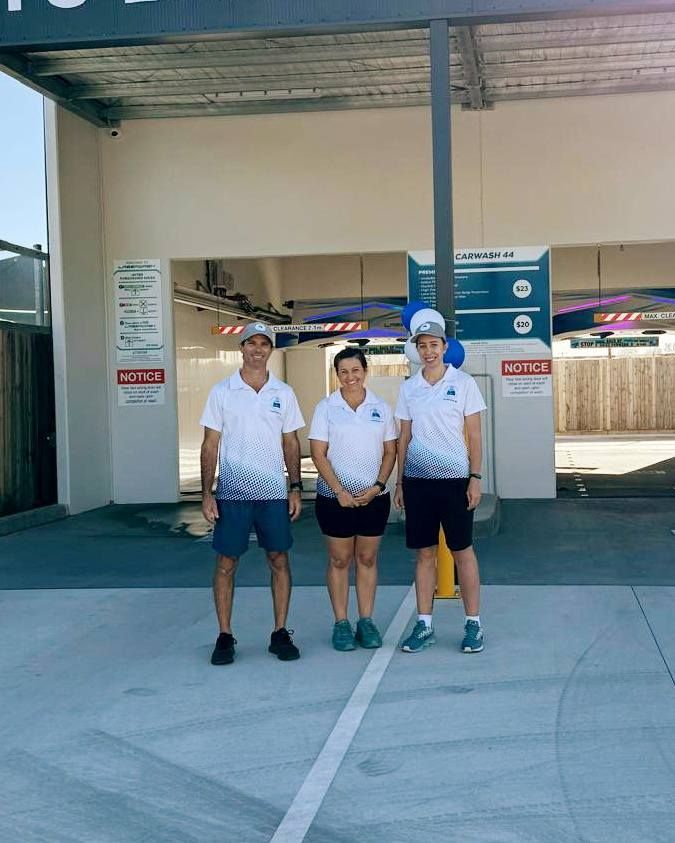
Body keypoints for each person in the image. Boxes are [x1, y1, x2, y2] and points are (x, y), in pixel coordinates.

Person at [200, 322, 305, 665]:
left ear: (271, 350)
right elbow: (210, 444)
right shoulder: (222, 392)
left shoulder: (284, 393)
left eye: (264, 344)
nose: (258, 349)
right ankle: (225, 636)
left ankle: (280, 632)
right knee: (227, 563)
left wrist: (294, 487)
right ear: (241, 348)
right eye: (252, 343)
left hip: (273, 493)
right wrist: (206, 493)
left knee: (278, 559)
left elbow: (291, 442)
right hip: (231, 494)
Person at [394, 321, 487, 654]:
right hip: (418, 483)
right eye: (422, 346)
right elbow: (405, 436)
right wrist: (401, 481)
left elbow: (474, 435)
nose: (429, 352)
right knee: (424, 554)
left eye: (434, 345)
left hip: (455, 482)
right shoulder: (409, 388)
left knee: (463, 551)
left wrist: (475, 478)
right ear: (416, 350)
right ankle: (424, 625)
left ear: (445, 347)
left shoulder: (463, 384)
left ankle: (473, 624)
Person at [309, 348, 398, 651]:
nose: (350, 377)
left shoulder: (381, 408)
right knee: (339, 559)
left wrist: (377, 486)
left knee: (367, 558)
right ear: (337, 374)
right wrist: (339, 491)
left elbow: (390, 452)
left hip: (374, 497)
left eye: (355, 370)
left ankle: (366, 621)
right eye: (344, 372)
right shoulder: (326, 408)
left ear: (365, 371)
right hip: (335, 499)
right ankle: (341, 623)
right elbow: (318, 454)